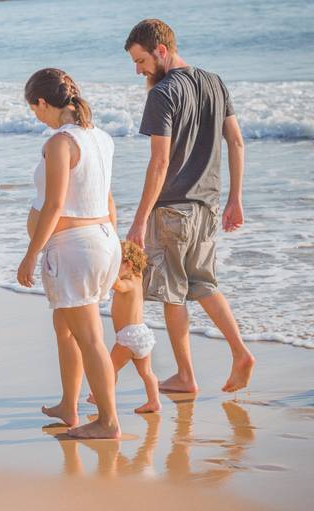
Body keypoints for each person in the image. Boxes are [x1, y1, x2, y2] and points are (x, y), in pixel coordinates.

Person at [124, 19, 254, 393]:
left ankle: (185, 376)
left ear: (161, 51)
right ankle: (240, 351)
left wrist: (139, 220)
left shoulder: (162, 93)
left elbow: (160, 164)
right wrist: (235, 198)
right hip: (208, 207)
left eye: (141, 61)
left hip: (172, 209)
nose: (139, 70)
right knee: (203, 283)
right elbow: (237, 142)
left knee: (171, 292)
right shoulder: (215, 81)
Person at [17, 68, 121, 439]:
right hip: (101, 240)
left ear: (43, 102)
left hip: (75, 249)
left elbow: (55, 204)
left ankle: (108, 422)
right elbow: (107, 198)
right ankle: (69, 404)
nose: (36, 117)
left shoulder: (61, 143)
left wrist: (31, 253)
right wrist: (115, 249)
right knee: (64, 327)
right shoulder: (101, 138)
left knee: (90, 336)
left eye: (35, 109)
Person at [89, 240, 160, 413]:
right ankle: (154, 401)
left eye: (114, 264)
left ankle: (103, 399)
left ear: (128, 264)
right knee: (147, 372)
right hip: (142, 335)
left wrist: (107, 272)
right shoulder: (137, 277)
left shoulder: (129, 283)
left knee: (110, 369)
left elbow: (118, 285)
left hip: (129, 337)